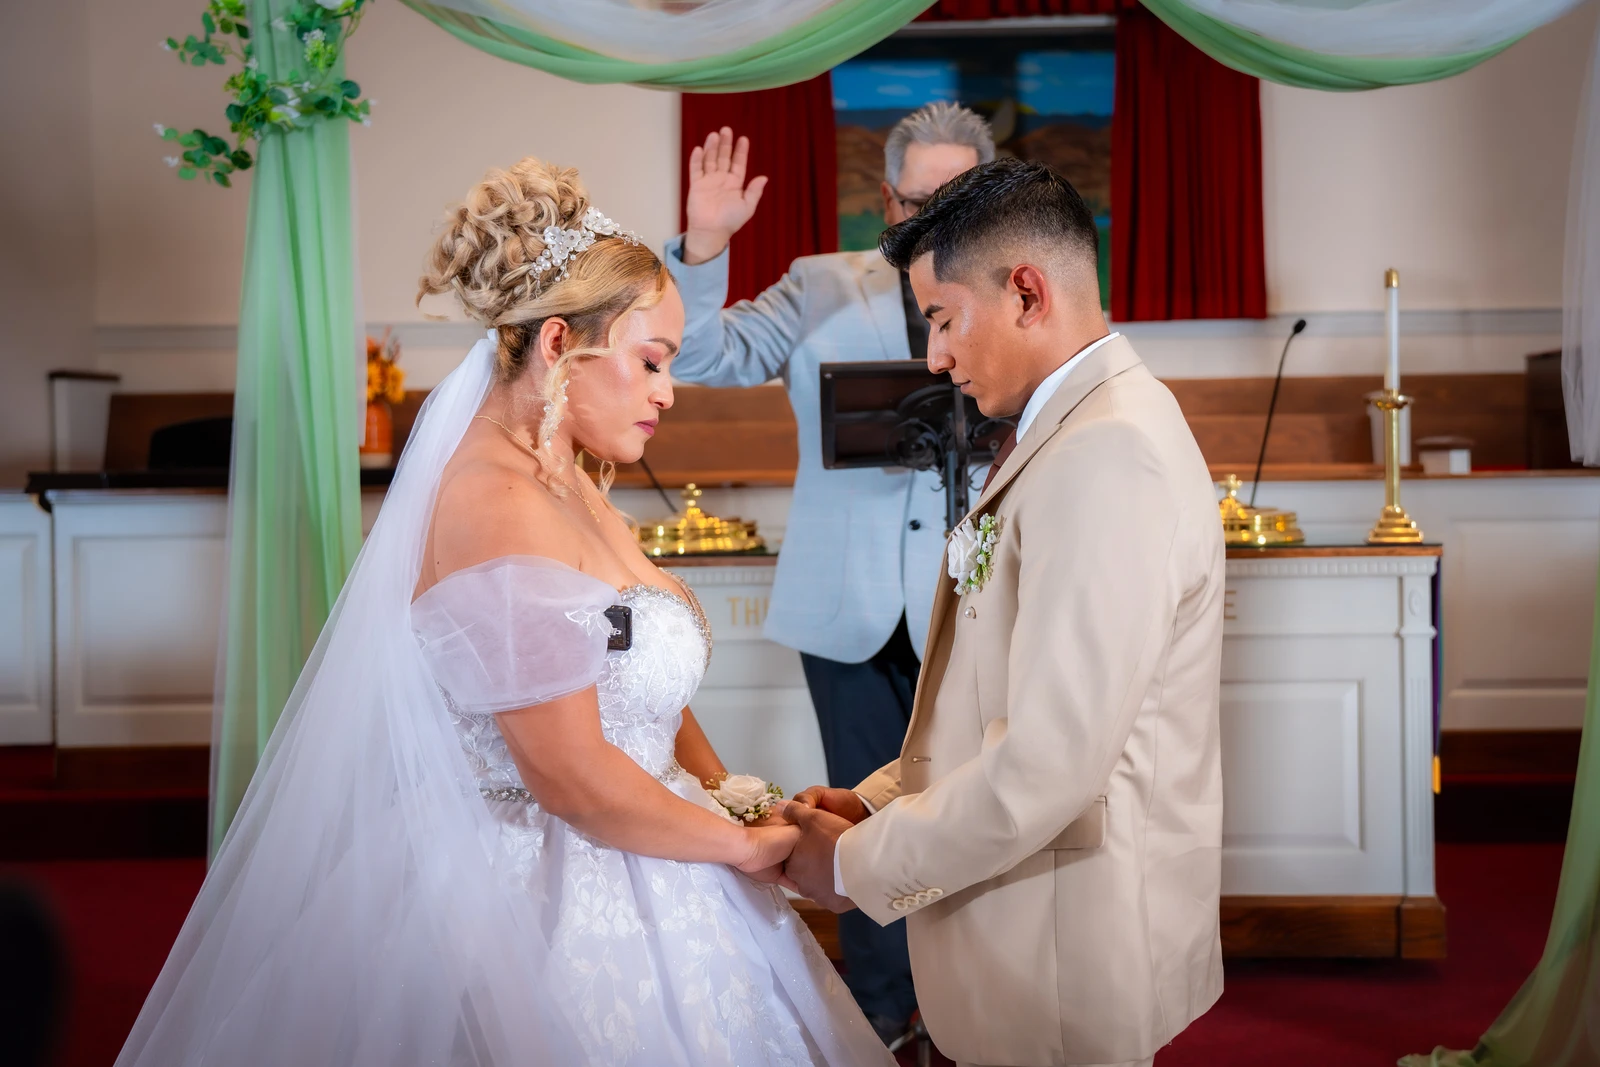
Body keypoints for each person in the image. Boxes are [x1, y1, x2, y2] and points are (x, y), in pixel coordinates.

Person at [115, 158, 892, 1067]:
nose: (667, 391)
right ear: (560, 343)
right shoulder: (496, 506)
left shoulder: (568, 478)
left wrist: (734, 794)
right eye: (650, 361)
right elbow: (569, 778)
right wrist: (742, 847)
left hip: (652, 838)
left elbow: (637, 697)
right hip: (536, 886)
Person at [780, 159, 1227, 1067]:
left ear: (1026, 292)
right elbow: (996, 693)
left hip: (1061, 944)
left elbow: (1044, 766)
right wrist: (876, 800)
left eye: (942, 318)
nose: (933, 355)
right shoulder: (1077, 425)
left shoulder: (1109, 454)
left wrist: (850, 867)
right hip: (1032, 922)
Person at [664, 102, 996, 1041]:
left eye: (959, 200)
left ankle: (965, 1009)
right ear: (887, 197)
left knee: (967, 806)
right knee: (861, 810)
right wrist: (703, 242)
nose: (934, 220)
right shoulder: (815, 286)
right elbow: (700, 353)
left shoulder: (1012, 293)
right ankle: (888, 1016)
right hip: (845, 604)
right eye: (920, 199)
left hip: (968, 600)